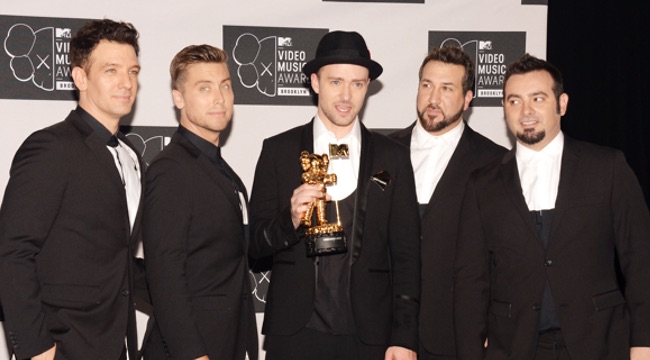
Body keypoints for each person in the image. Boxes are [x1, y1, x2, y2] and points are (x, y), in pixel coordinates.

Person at [453, 54, 650, 360]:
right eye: (514, 101)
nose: (526, 111)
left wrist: (644, 342)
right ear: (504, 108)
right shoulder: (482, 184)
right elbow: (470, 283)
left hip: (600, 343)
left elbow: (641, 261)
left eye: (538, 98)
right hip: (514, 347)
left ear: (562, 104)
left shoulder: (607, 167)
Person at [249, 30, 421, 360]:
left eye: (357, 83)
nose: (346, 95)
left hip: (370, 335)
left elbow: (407, 256)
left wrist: (405, 336)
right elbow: (254, 243)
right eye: (335, 82)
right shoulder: (278, 151)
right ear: (315, 82)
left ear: (368, 86)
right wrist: (290, 219)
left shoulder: (393, 157)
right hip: (295, 334)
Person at [0, 19, 143, 360]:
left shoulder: (131, 155)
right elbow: (12, 252)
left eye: (133, 71)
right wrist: (37, 349)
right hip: (64, 346)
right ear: (81, 78)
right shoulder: (50, 147)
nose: (126, 82)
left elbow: (118, 257)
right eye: (111, 70)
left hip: (119, 345)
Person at [142, 45, 258, 360]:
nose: (219, 98)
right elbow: (165, 276)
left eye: (225, 86)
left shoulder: (223, 172)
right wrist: (192, 353)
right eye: (204, 88)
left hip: (229, 343)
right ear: (179, 98)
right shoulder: (171, 170)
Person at [390, 46, 506, 360]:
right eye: (426, 85)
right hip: (386, 332)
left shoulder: (496, 162)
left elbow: (505, 253)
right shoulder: (382, 151)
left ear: (468, 98)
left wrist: (494, 326)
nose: (433, 97)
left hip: (459, 335)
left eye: (446, 88)